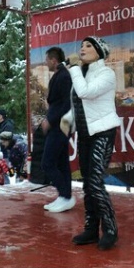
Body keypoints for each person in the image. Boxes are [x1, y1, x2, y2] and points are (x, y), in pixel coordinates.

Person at [61, 37, 121, 250]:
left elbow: (86, 93)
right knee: (87, 182)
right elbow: (78, 104)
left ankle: (110, 229)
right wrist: (68, 119)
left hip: (103, 132)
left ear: (99, 52)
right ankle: (91, 229)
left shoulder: (107, 74)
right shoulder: (82, 73)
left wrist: (74, 70)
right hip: (85, 133)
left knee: (95, 181)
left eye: (88, 46)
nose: (82, 49)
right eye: (81, 46)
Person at [40, 46, 74, 213]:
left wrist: (50, 120)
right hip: (58, 126)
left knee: (47, 163)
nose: (45, 63)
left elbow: (66, 104)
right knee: (62, 163)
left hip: (60, 127)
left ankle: (65, 195)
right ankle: (65, 197)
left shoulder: (63, 76)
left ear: (53, 60)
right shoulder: (60, 75)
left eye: (47, 60)